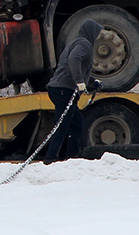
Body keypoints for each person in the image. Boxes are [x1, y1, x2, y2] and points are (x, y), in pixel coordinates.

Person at [44, 19, 104, 162]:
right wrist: (79, 81)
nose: (98, 36)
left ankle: (72, 155)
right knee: (62, 125)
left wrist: (91, 82)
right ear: (91, 32)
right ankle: (50, 158)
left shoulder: (75, 42)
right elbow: (74, 59)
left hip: (58, 88)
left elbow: (72, 66)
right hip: (64, 90)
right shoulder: (85, 44)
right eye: (97, 32)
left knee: (76, 123)